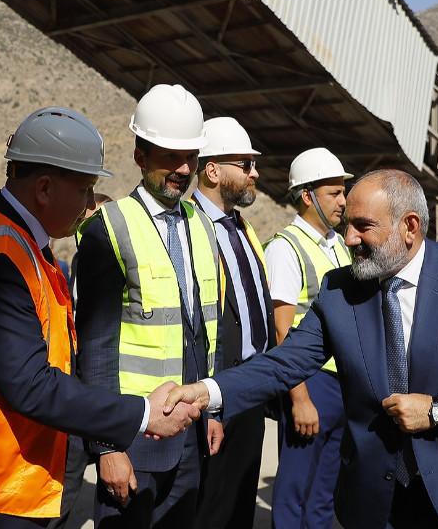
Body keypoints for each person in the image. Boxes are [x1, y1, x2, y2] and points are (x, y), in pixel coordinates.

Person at [166, 169, 438, 529]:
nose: (349, 238)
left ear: (410, 227)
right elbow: (284, 363)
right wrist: (206, 392)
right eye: (347, 225)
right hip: (378, 499)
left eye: (362, 226)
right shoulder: (340, 290)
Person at [0, 107, 200, 529]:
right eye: (85, 189)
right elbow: (31, 384)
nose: (89, 204)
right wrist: (142, 413)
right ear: (45, 188)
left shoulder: (21, 243)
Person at [76, 84, 220, 528]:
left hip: (191, 435)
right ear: (140, 156)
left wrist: (213, 412)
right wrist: (108, 447)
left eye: (190, 157)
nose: (184, 169)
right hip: (133, 437)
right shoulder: (110, 227)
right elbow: (95, 348)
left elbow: (202, 332)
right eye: (170, 156)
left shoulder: (202, 225)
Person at [261, 147, 352, 529]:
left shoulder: (339, 245)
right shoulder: (285, 248)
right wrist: (299, 399)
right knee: (295, 493)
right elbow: (282, 330)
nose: (343, 201)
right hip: (310, 383)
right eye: (334, 193)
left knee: (323, 495)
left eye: (343, 192)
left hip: (340, 383)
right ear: (307, 195)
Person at [190, 117, 274, 529]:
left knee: (241, 507)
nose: (254, 173)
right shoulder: (187, 226)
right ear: (212, 170)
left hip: (251, 389)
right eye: (245, 164)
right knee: (211, 509)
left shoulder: (242, 227)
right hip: (215, 392)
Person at [50, 192, 114, 529]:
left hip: (103, 384)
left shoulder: (117, 264)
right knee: (69, 472)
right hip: (73, 384)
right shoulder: (74, 263)